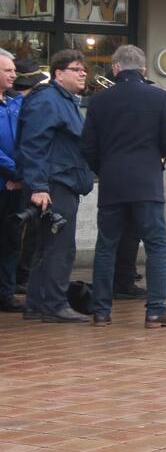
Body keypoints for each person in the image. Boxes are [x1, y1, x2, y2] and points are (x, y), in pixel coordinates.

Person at [82, 45, 166, 327]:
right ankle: (155, 310)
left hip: (112, 183)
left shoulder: (99, 100)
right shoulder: (158, 96)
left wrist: (104, 169)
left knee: (106, 247)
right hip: (147, 184)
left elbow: (88, 146)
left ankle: (101, 311)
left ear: (115, 68)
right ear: (143, 70)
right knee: (156, 246)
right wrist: (152, 160)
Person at [18, 49, 94, 322]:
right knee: (60, 247)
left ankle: (37, 304)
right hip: (54, 185)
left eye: (83, 68)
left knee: (46, 246)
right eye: (76, 68)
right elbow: (33, 145)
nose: (83, 72)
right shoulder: (48, 100)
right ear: (59, 74)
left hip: (62, 182)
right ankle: (54, 304)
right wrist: (39, 186)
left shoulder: (64, 100)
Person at [11, 58, 47, 294]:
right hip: (15, 175)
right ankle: (18, 275)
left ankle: (21, 274)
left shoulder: (20, 103)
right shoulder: (17, 105)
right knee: (18, 230)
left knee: (28, 228)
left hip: (20, 174)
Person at [0, 51, 23, 313]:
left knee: (10, 242)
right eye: (7, 70)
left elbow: (27, 141)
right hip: (6, 181)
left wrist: (22, 176)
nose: (13, 75)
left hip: (14, 187)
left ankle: (5, 293)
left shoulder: (14, 103)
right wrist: (16, 172)